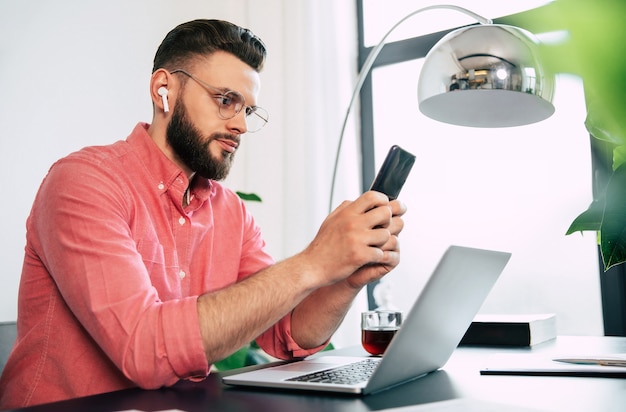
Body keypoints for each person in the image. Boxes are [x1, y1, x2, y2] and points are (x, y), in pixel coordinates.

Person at [0, 19, 406, 409]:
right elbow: (144, 350)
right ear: (164, 90)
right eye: (226, 100)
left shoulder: (231, 212)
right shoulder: (84, 182)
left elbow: (287, 334)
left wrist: (346, 275)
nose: (241, 127)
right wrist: (313, 262)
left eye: (247, 111)